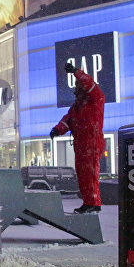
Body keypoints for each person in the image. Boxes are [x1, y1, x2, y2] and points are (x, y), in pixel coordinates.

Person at [50, 62, 105, 214]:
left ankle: (93, 203)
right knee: (83, 175)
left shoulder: (96, 99)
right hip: (81, 144)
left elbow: (89, 83)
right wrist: (57, 130)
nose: (76, 89)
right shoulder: (77, 107)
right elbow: (67, 121)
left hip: (92, 143)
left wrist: (76, 72)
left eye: (78, 86)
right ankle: (88, 202)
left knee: (90, 174)